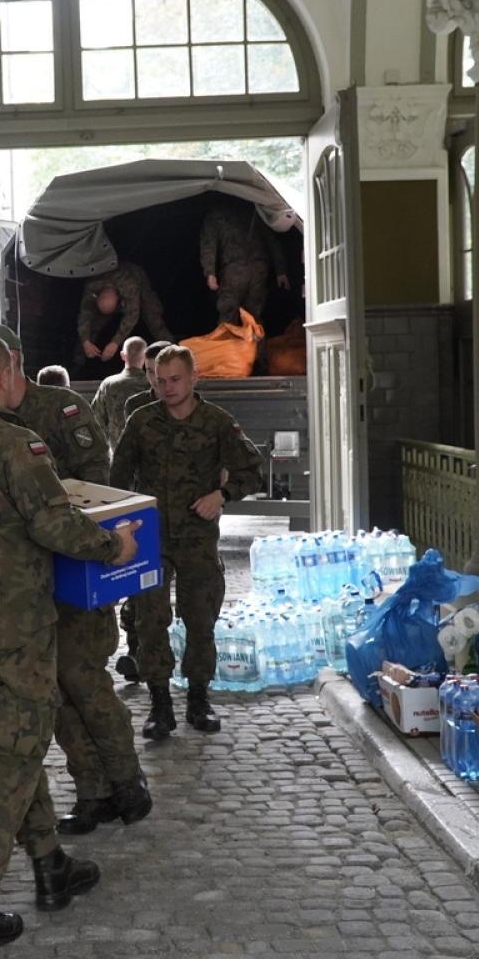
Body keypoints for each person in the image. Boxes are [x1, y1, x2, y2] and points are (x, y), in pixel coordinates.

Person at [0, 329, 140, 954]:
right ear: (9, 370)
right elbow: (54, 523)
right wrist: (113, 546)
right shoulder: (17, 445)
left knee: (13, 739)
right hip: (16, 626)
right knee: (5, 761)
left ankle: (50, 865)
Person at [0, 323, 153, 837]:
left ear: (12, 361)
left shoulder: (59, 408)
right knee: (52, 691)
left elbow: (97, 486)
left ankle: (127, 780)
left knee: (83, 679)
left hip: (75, 567)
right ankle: (92, 790)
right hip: (23, 580)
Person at [111, 344, 264, 738]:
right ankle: (159, 704)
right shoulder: (142, 421)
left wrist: (222, 495)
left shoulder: (217, 422)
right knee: (150, 620)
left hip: (197, 536)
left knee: (200, 619)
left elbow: (251, 470)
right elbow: (118, 478)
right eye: (160, 381)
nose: (167, 388)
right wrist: (121, 525)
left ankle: (199, 698)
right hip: (151, 540)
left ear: (195, 377)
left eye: (175, 379)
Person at [112, 339, 173, 683]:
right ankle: (136, 654)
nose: (154, 380)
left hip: (182, 521)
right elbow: (123, 463)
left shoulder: (195, 408)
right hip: (143, 513)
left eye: (159, 372)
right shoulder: (137, 408)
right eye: (149, 372)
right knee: (141, 593)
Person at [200, 197, 291, 325]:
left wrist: (210, 273)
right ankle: (253, 344)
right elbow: (272, 240)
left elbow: (208, 244)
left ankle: (230, 344)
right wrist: (281, 271)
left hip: (235, 270)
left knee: (228, 314)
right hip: (259, 268)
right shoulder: (254, 208)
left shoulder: (217, 212)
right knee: (254, 317)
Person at [77, 260, 172, 365]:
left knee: (153, 317)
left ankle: (173, 353)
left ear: (119, 300)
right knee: (92, 326)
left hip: (136, 277)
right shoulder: (91, 286)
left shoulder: (129, 286)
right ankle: (78, 362)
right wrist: (85, 341)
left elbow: (132, 315)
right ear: (97, 297)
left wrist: (115, 343)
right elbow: (85, 316)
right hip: (108, 283)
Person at [92, 336, 151, 452]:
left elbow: (96, 420)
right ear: (145, 356)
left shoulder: (108, 384)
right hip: (149, 455)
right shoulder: (153, 384)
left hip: (117, 453)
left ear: (122, 355)